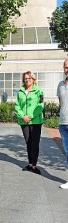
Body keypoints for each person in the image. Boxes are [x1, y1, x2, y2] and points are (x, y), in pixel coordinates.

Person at [14, 71, 44, 175]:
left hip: (35, 122)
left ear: (33, 79)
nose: (27, 80)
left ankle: (34, 165)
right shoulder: (20, 91)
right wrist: (23, 116)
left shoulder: (39, 91)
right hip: (24, 121)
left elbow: (40, 106)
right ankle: (30, 164)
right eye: (25, 78)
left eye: (29, 78)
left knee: (34, 143)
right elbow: (17, 106)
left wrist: (30, 117)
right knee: (28, 142)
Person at [57, 58, 68, 189]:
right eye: (66, 67)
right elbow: (61, 103)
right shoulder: (60, 85)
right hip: (63, 124)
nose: (67, 69)